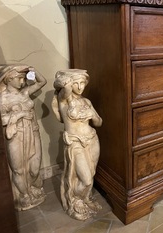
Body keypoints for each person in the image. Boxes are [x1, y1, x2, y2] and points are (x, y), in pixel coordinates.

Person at [52, 69, 103, 221]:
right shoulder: (63, 101)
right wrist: (65, 79)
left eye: (82, 83)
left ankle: (85, 198)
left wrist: (93, 115)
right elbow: (65, 88)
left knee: (91, 173)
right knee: (85, 178)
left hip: (92, 139)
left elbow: (99, 122)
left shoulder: (87, 102)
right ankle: (75, 200)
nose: (80, 87)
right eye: (76, 83)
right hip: (75, 143)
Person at [0, 64, 46, 211]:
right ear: (9, 79)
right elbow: (1, 120)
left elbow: (41, 82)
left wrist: (32, 69)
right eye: (19, 78)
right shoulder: (2, 99)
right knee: (18, 169)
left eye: (23, 78)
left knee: (34, 168)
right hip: (16, 136)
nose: (23, 81)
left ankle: (31, 186)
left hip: (33, 132)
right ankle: (24, 195)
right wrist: (20, 114)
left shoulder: (24, 93)